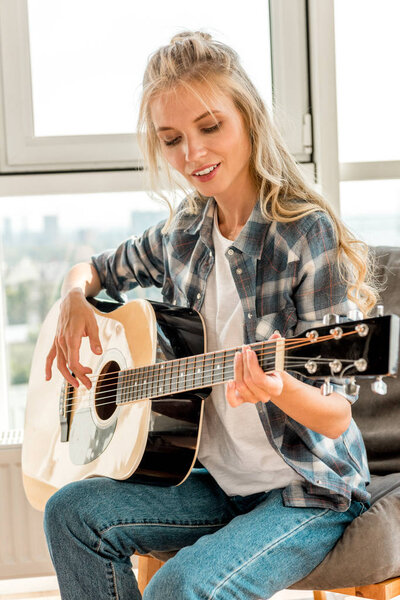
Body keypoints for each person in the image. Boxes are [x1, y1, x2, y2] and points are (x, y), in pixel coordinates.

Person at [43, 31, 377, 600]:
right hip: (214, 482)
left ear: (248, 117)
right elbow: (93, 270)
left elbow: (335, 417)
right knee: (70, 513)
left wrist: (277, 389)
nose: (192, 154)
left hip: (307, 490)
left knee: (180, 587)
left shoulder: (304, 235)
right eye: (171, 139)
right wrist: (74, 299)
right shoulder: (181, 234)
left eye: (210, 127)